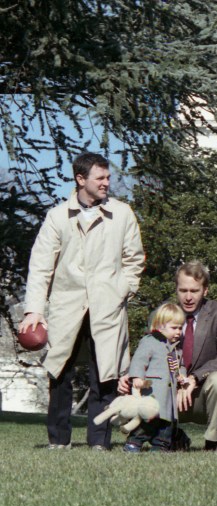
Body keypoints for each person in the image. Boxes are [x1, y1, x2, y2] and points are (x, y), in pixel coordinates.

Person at [20, 152, 144, 450]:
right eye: (100, 178)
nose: (106, 183)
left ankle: (99, 441)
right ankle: (58, 440)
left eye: (107, 177)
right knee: (59, 372)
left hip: (107, 305)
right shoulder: (57, 217)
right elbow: (40, 266)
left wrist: (122, 291)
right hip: (66, 305)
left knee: (105, 373)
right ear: (80, 179)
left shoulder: (123, 214)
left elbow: (134, 260)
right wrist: (34, 309)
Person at [130, 262, 217, 451]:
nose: (188, 297)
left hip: (202, 394)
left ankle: (211, 442)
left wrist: (194, 378)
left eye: (194, 291)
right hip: (165, 393)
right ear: (176, 289)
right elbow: (145, 353)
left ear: (205, 290)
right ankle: (165, 436)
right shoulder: (160, 315)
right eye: (183, 290)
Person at [123, 303, 186, 453]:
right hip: (153, 391)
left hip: (169, 398)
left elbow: (179, 366)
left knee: (166, 424)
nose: (178, 332)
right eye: (174, 328)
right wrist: (137, 376)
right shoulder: (150, 341)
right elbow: (139, 359)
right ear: (160, 326)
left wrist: (181, 375)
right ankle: (134, 442)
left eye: (180, 328)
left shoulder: (175, 348)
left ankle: (160, 445)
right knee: (147, 421)